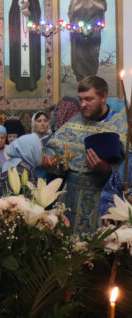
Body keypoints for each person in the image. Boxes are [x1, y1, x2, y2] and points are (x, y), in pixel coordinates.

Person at [43, 76, 127, 235]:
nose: (83, 104)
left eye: (89, 99)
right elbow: (55, 148)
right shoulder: (74, 122)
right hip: (71, 202)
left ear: (103, 97)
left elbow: (127, 173)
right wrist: (50, 158)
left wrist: (107, 170)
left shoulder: (121, 128)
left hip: (102, 204)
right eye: (80, 99)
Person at [68, 0, 107, 82]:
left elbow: (103, 7)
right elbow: (72, 10)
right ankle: (82, 77)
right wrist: (82, 3)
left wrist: (92, 1)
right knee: (81, 53)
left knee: (94, 52)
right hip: (81, 28)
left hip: (94, 27)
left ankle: (92, 75)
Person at [8, 0, 42, 92]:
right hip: (19, 33)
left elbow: (38, 12)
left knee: (30, 57)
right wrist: (20, 9)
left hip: (30, 34)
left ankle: (31, 84)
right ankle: (20, 84)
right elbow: (11, 14)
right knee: (20, 57)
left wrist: (30, 13)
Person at [0, 133, 42, 199]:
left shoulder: (6, 167)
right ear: (30, 151)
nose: (42, 154)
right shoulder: (20, 173)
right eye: (40, 150)